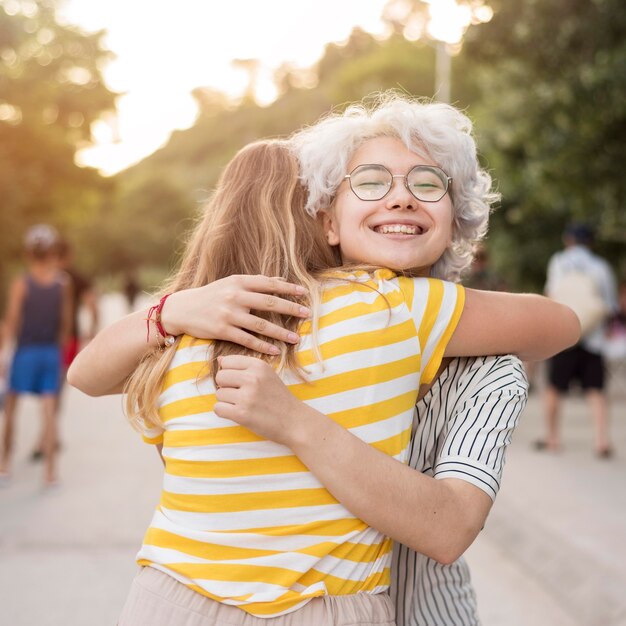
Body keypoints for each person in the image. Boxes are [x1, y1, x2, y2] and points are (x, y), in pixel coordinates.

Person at [68, 98, 579, 625]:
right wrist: (174, 309)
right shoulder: (394, 307)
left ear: (456, 215)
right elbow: (561, 324)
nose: (401, 199)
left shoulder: (203, 331)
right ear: (326, 219)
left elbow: (85, 374)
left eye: (427, 184)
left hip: (168, 599)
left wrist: (171, 311)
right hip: (322, 606)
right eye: (372, 182)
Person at [0, 225, 72, 487]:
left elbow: (12, 321)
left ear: (29, 254)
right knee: (50, 412)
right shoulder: (62, 283)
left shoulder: (22, 283)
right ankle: (50, 472)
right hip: (50, 352)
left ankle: (4, 463)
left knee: (11, 410)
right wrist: (61, 357)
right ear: (52, 252)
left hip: (25, 352)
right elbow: (65, 324)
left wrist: (3, 357)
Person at [539, 222, 618, 457]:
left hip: (564, 335)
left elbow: (551, 295)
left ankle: (553, 438)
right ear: (590, 242)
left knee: (554, 387)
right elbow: (610, 304)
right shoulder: (601, 266)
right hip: (593, 337)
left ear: (568, 239)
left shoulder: (559, 261)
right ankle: (601, 440)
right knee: (596, 389)